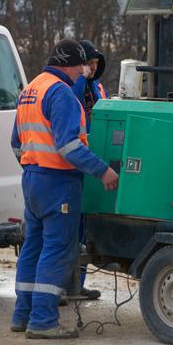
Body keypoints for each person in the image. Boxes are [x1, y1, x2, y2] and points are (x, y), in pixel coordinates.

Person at [10, 38, 119, 339]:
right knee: (56, 249)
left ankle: (22, 314)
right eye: (84, 64)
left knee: (32, 247)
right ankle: (43, 321)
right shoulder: (61, 94)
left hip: (33, 180)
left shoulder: (31, 89)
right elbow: (68, 146)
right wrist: (104, 170)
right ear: (72, 64)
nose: (86, 70)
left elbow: (17, 143)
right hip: (58, 182)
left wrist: (33, 167)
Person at [67, 39, 107, 300]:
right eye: (88, 64)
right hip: (73, 165)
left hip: (91, 163)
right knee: (70, 230)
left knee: (84, 230)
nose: (92, 68)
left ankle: (77, 285)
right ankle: (64, 285)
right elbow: (74, 103)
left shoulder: (98, 87)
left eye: (94, 64)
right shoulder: (71, 87)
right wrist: (82, 79)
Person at [72, 40, 107, 130]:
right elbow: (74, 101)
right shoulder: (69, 84)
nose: (95, 67)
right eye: (91, 62)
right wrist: (81, 78)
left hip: (95, 137)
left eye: (96, 62)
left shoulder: (98, 86)